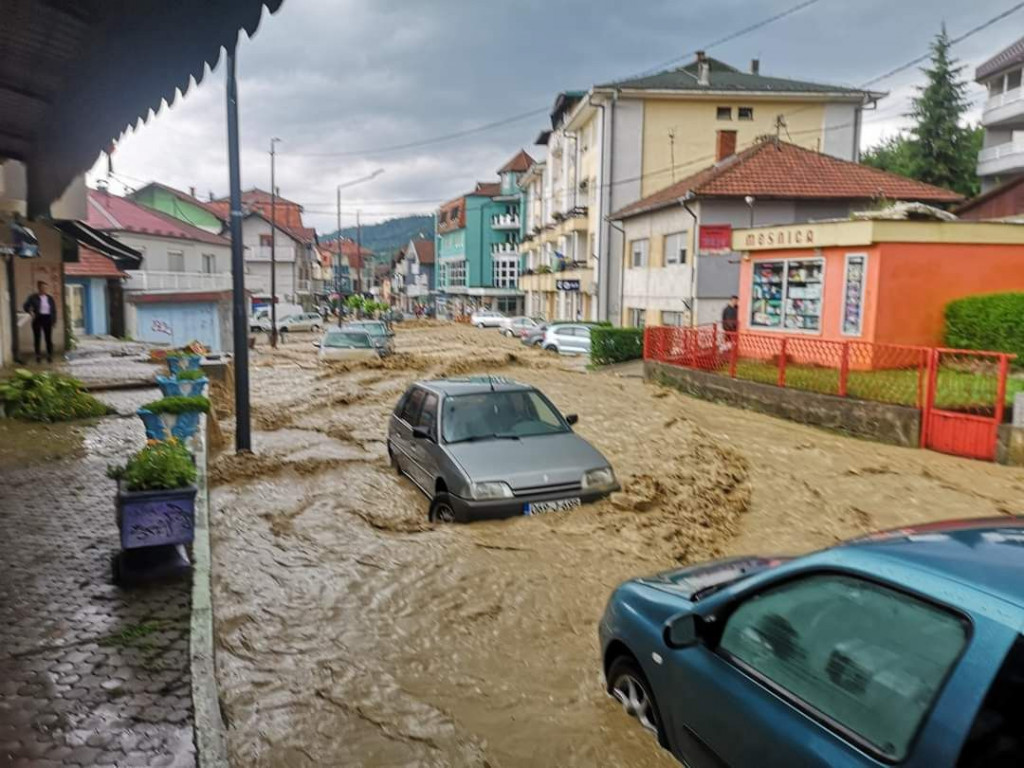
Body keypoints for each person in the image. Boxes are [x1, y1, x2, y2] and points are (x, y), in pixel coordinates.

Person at [23, 280, 57, 363]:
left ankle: (49, 354)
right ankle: (38, 355)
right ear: (39, 288)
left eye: (46, 288)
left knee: (48, 338)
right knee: (37, 337)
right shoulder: (33, 297)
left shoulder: (49, 298)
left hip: (48, 318)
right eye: (43, 287)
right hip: (38, 318)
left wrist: (54, 321)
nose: (44, 289)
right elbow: (25, 305)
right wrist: (30, 312)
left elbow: (54, 310)